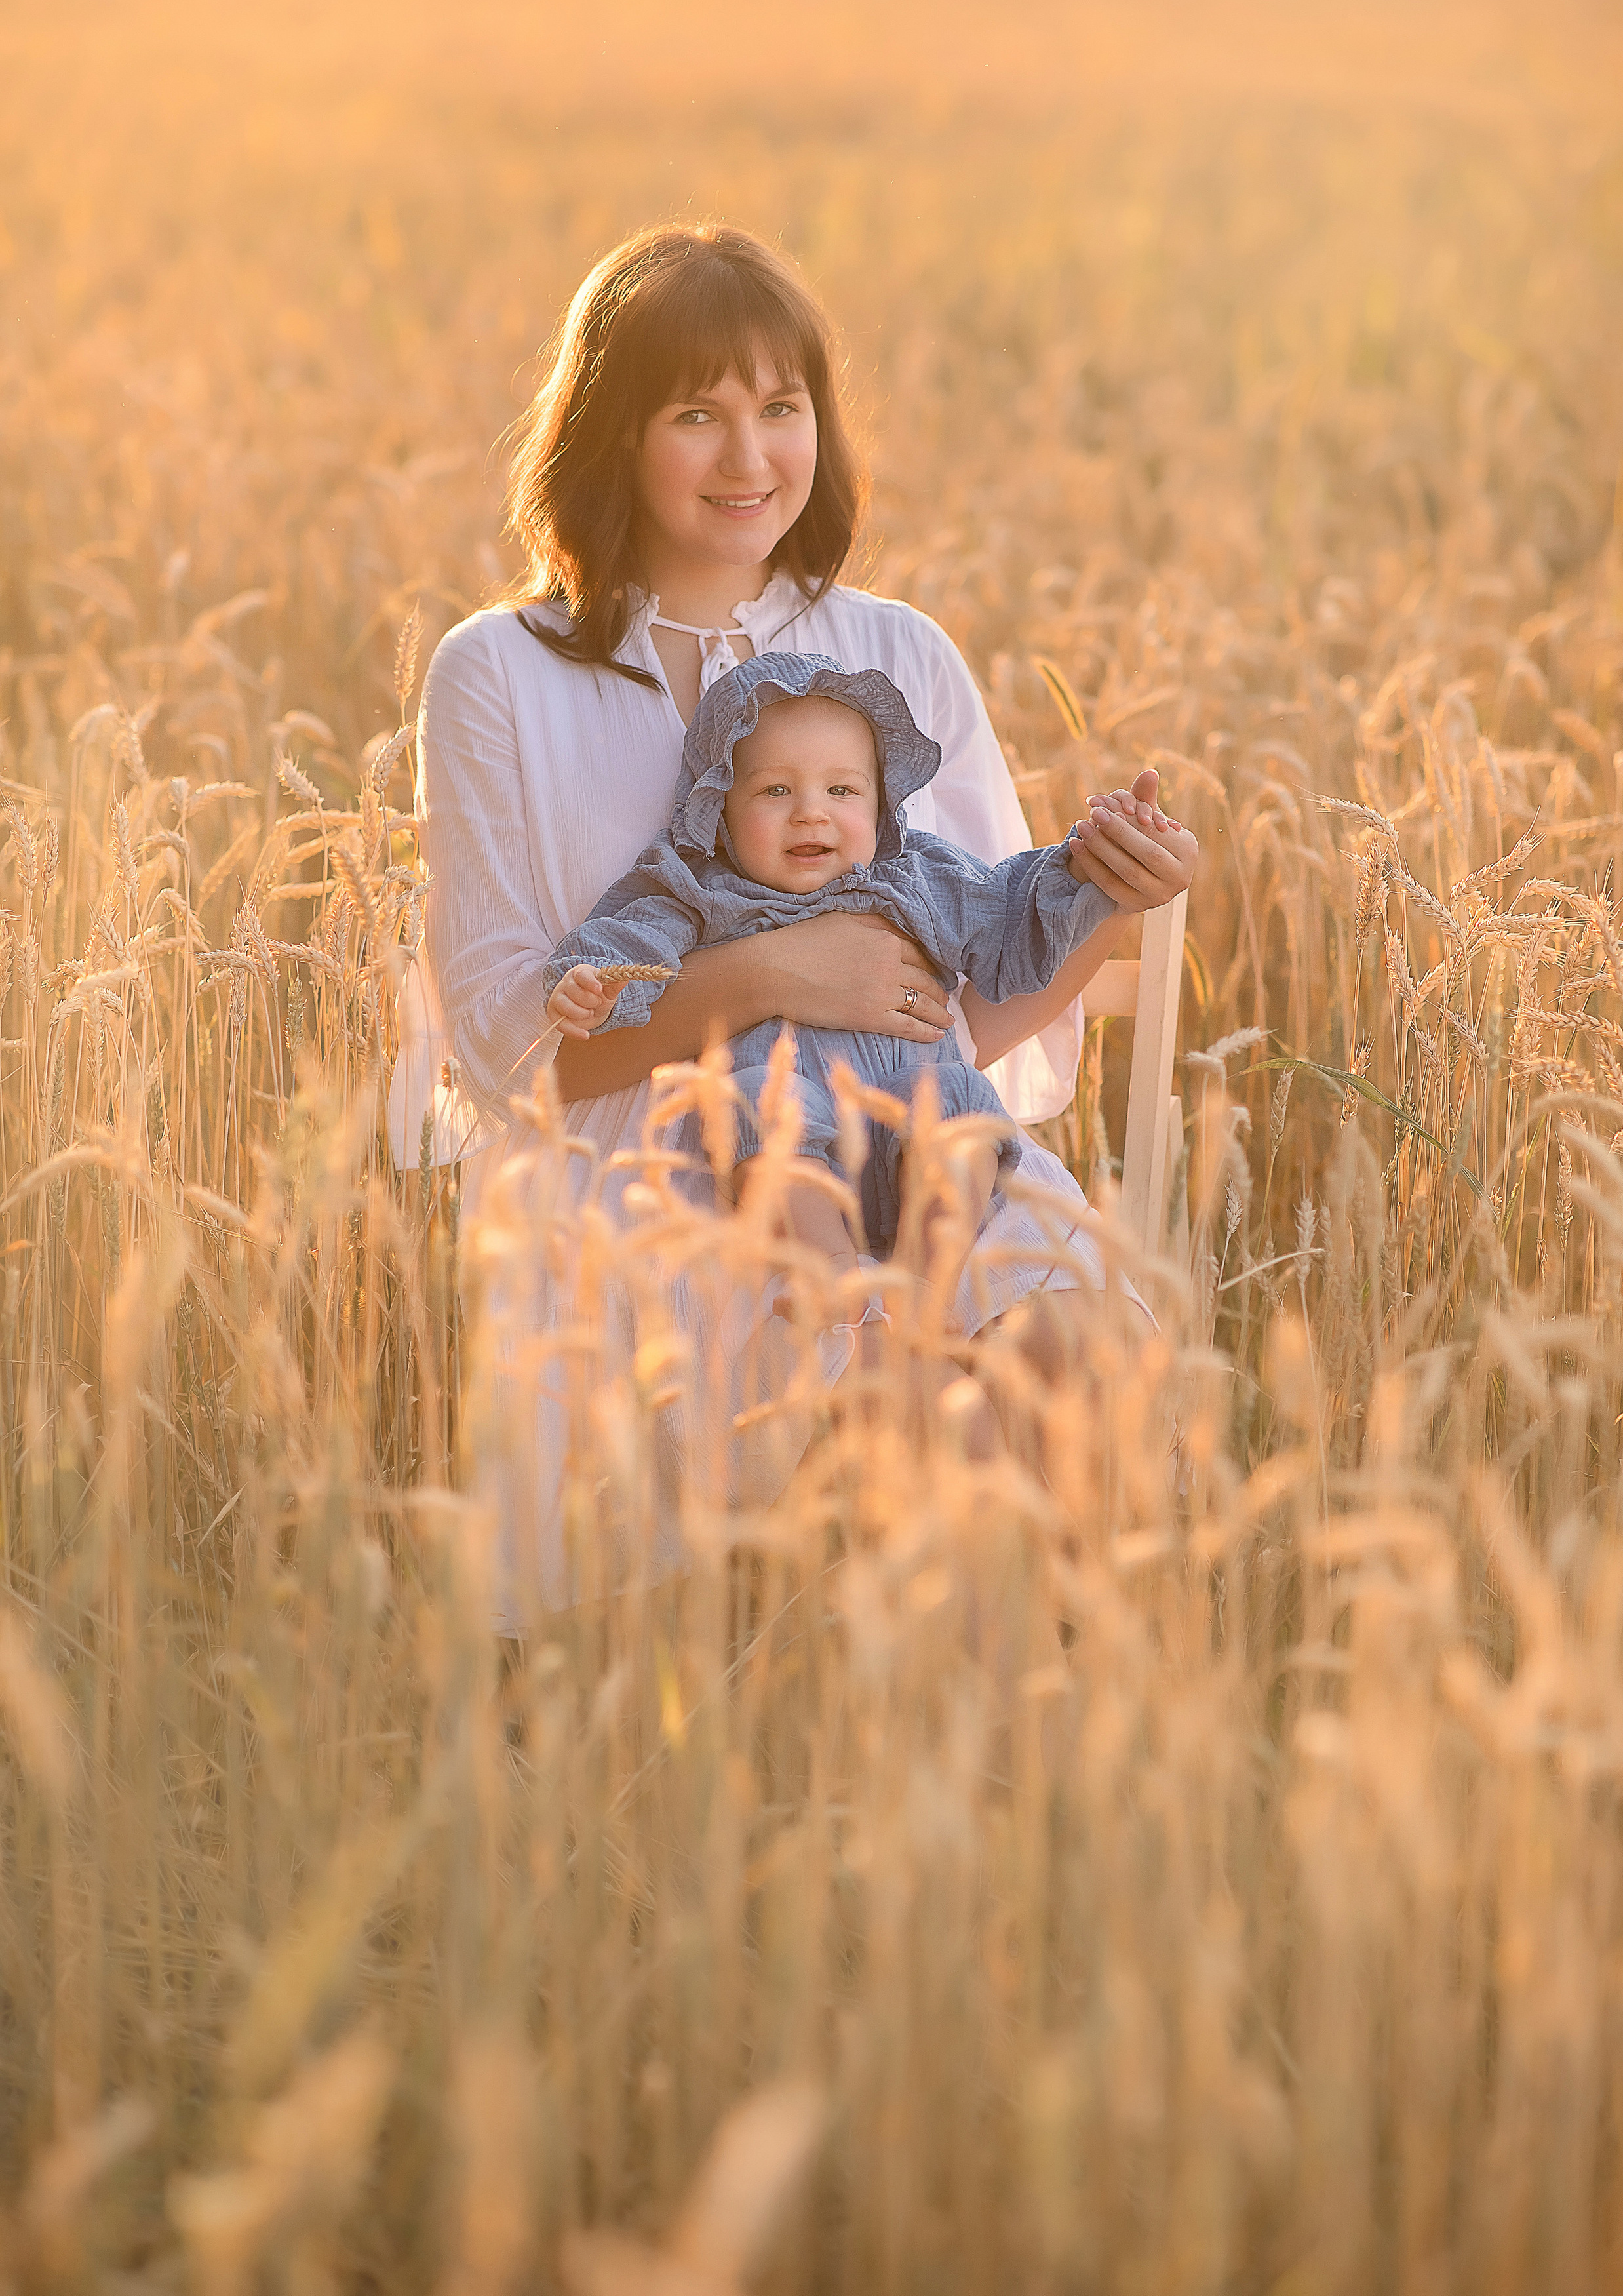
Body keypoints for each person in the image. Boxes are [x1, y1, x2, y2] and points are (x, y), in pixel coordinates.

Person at [392, 222, 1197, 1623]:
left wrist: (1102, 909)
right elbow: (512, 1057)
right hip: (635, 1186)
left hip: (920, 1150)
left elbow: (965, 995)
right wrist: (765, 972)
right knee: (884, 1385)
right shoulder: (500, 678)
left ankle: (1027, 1782)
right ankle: (831, 1764)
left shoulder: (898, 652)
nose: (748, 458)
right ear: (609, 435)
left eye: (780, 408)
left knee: (1069, 1352)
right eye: (694, 413)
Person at [544, 650, 1194, 1274]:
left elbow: (1009, 909)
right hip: (791, 1126)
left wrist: (1090, 865)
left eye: (841, 789)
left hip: (914, 1115)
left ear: (881, 805)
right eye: (774, 790)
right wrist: (596, 984)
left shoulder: (917, 876)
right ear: (718, 809)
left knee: (958, 1100)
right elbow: (633, 940)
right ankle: (828, 1275)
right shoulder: (703, 890)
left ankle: (928, 1275)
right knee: (754, 1105)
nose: (810, 812)